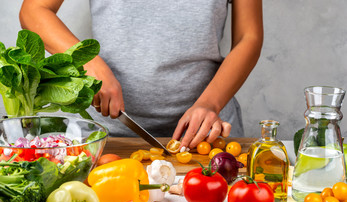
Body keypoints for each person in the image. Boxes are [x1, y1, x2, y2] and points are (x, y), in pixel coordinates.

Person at [19, 0, 263, 151]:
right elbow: (34, 10)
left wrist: (210, 103)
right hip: (108, 136)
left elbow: (248, 37)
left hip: (206, 135)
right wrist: (90, 63)